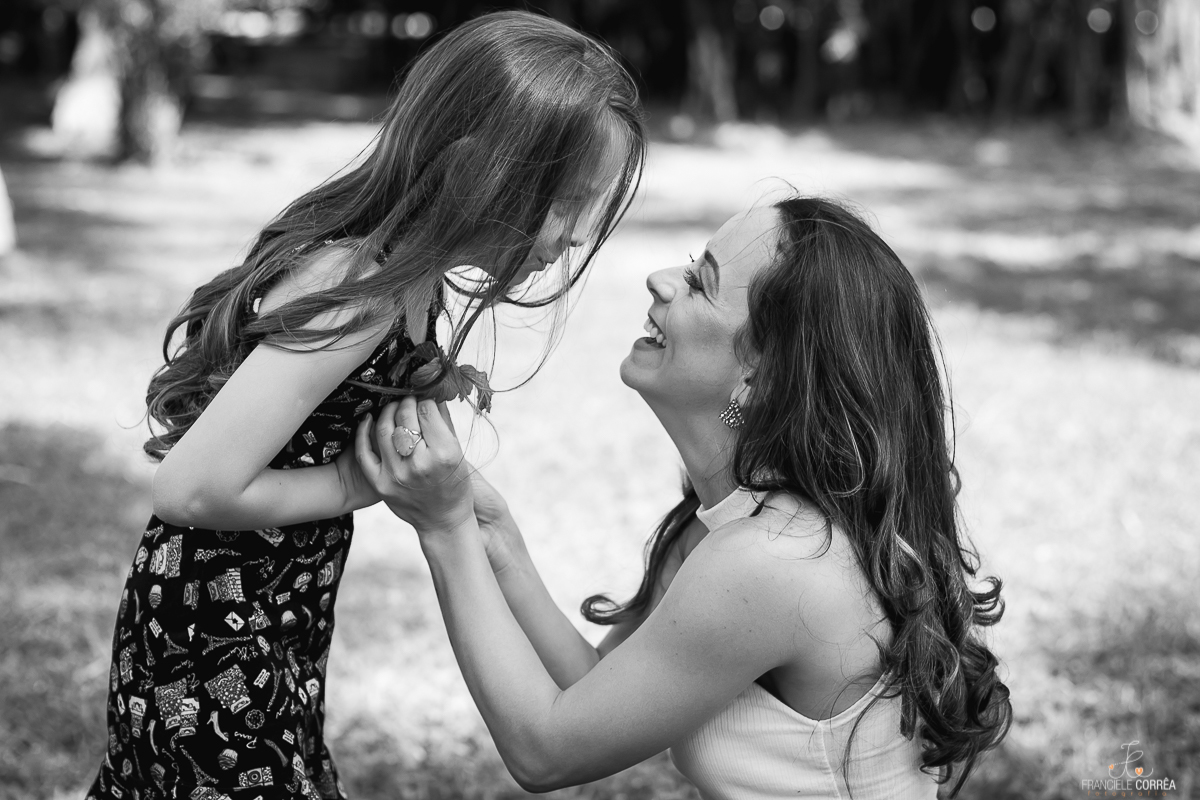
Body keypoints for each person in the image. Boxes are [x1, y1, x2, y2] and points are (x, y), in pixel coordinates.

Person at [86, 11, 644, 800]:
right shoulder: (360, 291)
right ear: (474, 171)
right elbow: (189, 489)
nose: (577, 234)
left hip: (272, 615)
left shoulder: (411, 284)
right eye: (567, 202)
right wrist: (353, 484)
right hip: (209, 630)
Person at [354, 196, 1012, 799]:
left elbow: (544, 753)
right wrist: (496, 544)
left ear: (760, 373)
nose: (660, 279)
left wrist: (444, 531)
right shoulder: (734, 524)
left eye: (700, 282)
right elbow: (595, 692)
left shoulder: (774, 559)